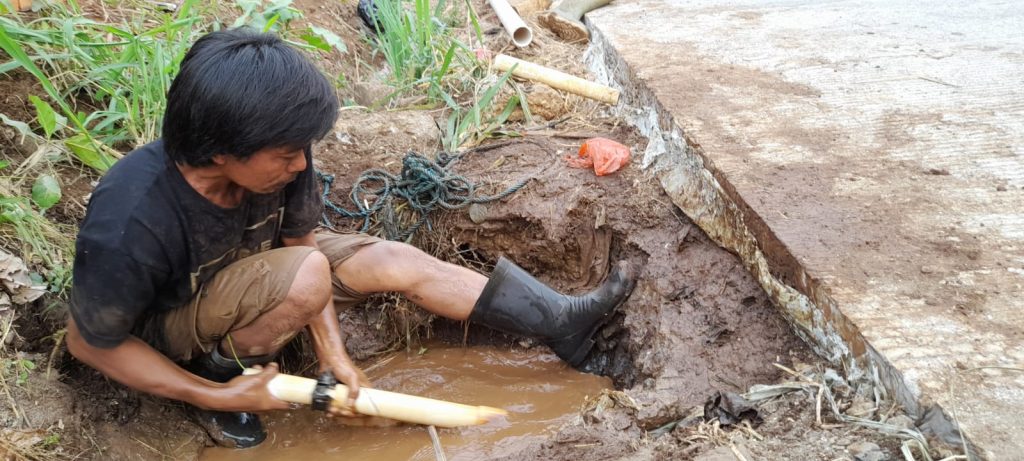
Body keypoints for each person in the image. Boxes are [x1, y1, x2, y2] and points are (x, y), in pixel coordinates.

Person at [65, 28, 636, 449]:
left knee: (388, 258)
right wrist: (211, 395)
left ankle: (561, 323)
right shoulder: (132, 220)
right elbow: (89, 343)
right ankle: (225, 376)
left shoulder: (282, 155)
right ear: (221, 150)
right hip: (174, 322)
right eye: (285, 155)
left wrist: (333, 355)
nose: (298, 164)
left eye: (300, 150)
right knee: (306, 274)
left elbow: (302, 243)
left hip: (266, 271)